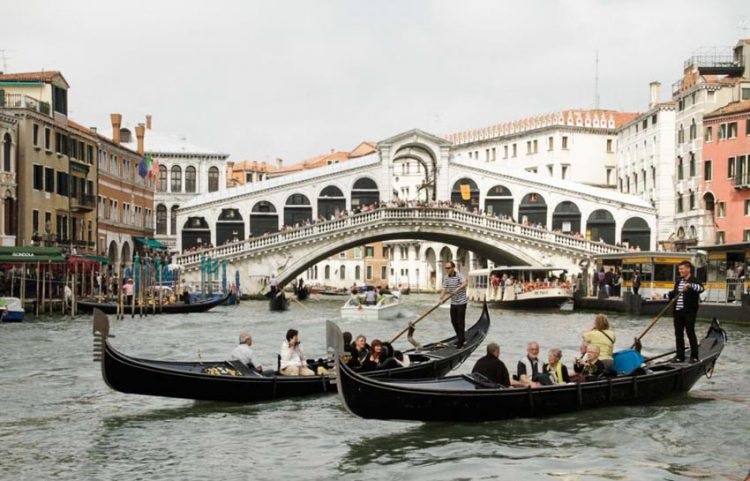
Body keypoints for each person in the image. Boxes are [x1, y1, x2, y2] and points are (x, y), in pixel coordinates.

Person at [668, 260, 705, 363]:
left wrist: (690, 286)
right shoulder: (679, 281)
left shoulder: (694, 280)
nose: (680, 271)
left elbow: (701, 289)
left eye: (682, 269)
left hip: (689, 312)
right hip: (678, 312)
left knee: (690, 333)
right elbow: (675, 293)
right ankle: (680, 356)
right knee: (678, 334)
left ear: (688, 269)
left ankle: (694, 356)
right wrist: (664, 295)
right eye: (679, 269)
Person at [439, 260, 468, 348]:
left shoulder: (459, 275)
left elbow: (465, 283)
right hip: (453, 302)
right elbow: (444, 288)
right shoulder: (446, 277)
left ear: (453, 268)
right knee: (453, 321)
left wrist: (457, 289)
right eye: (445, 268)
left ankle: (460, 341)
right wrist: (441, 298)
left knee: (460, 322)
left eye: (448, 268)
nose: (447, 270)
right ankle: (461, 338)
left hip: (462, 302)